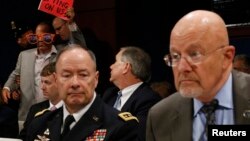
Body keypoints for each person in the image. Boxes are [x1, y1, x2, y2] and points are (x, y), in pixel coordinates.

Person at [146, 10, 250, 141]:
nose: (182, 67)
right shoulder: (160, 116)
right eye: (175, 56)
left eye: (195, 54)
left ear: (226, 57)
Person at [25, 44, 139, 141]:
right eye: (66, 75)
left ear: (96, 79)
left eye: (83, 75)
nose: (75, 83)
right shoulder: (40, 122)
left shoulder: (121, 127)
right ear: (56, 80)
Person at [102, 46, 162, 141]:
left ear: (126, 67)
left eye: (115, 62)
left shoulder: (149, 99)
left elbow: (137, 136)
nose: (111, 66)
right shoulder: (109, 94)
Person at [2, 21, 57, 121]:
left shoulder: (62, 55)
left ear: (52, 37)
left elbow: (78, 43)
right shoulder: (24, 55)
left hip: (53, 113)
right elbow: (16, 74)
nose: (40, 41)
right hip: (27, 114)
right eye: (36, 38)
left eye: (45, 37)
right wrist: (7, 88)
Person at [18, 62, 63, 140]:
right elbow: (23, 137)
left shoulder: (69, 111)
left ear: (60, 83)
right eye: (41, 82)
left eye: (47, 82)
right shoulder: (35, 109)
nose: (42, 87)